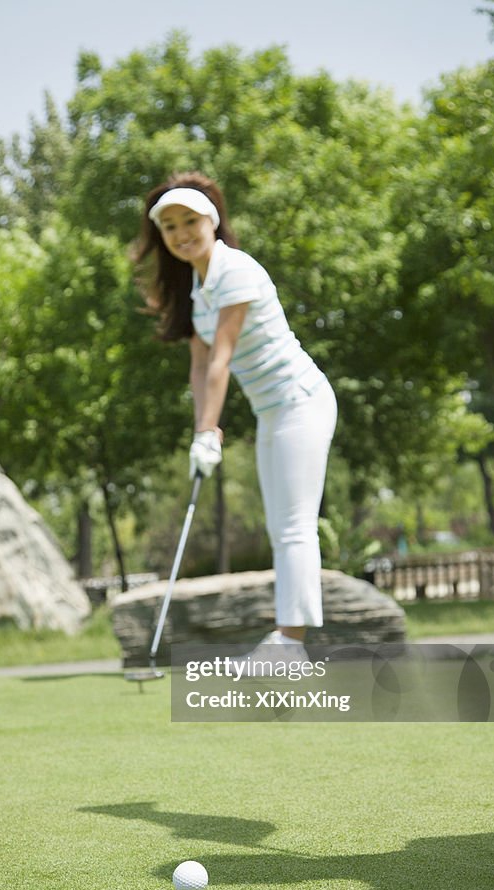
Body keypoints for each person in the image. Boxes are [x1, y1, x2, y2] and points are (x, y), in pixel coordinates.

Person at [134, 171, 337, 667]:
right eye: (170, 227)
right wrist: (203, 431)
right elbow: (200, 366)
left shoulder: (236, 271)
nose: (181, 233)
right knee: (281, 526)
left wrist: (207, 429)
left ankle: (290, 645)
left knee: (294, 527)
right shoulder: (198, 287)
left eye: (190, 221)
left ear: (213, 221)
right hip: (273, 412)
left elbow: (222, 359)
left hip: (301, 400)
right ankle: (288, 643)